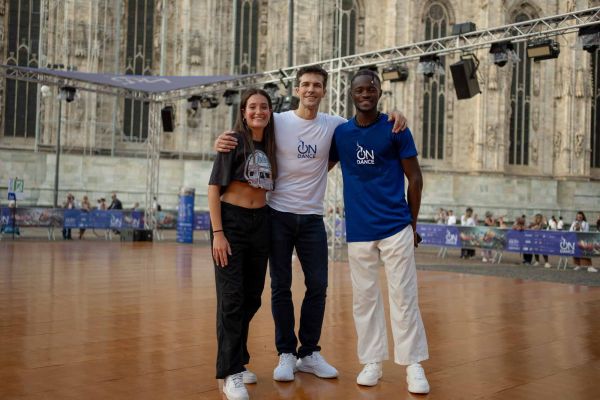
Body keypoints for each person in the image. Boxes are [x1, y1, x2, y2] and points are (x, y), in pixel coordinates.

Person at [215, 65, 407, 383]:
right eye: (305, 84)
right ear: (297, 89)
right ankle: (286, 353)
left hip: (313, 217)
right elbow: (250, 127)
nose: (310, 90)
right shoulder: (278, 121)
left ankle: (309, 353)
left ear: (324, 90)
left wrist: (395, 116)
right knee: (280, 286)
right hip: (277, 215)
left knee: (318, 285)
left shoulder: (334, 125)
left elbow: (365, 122)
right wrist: (223, 139)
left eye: (316, 85)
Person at [328, 69, 429, 394]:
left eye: (370, 89)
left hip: (395, 226)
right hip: (359, 230)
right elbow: (316, 166)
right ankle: (372, 360)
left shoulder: (396, 128)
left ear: (380, 92)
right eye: (359, 90)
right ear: (351, 94)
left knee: (404, 297)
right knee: (364, 299)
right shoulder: (341, 134)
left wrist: (412, 224)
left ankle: (413, 364)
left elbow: (415, 178)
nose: (365, 94)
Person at [208, 88, 277, 400]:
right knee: (231, 299)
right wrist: (218, 233)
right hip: (232, 223)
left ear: (271, 112)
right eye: (252, 107)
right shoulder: (233, 141)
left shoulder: (273, 143)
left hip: (261, 223)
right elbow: (213, 188)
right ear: (243, 112)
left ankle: (237, 356)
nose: (258, 111)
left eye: (264, 107)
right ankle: (230, 372)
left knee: (252, 297)